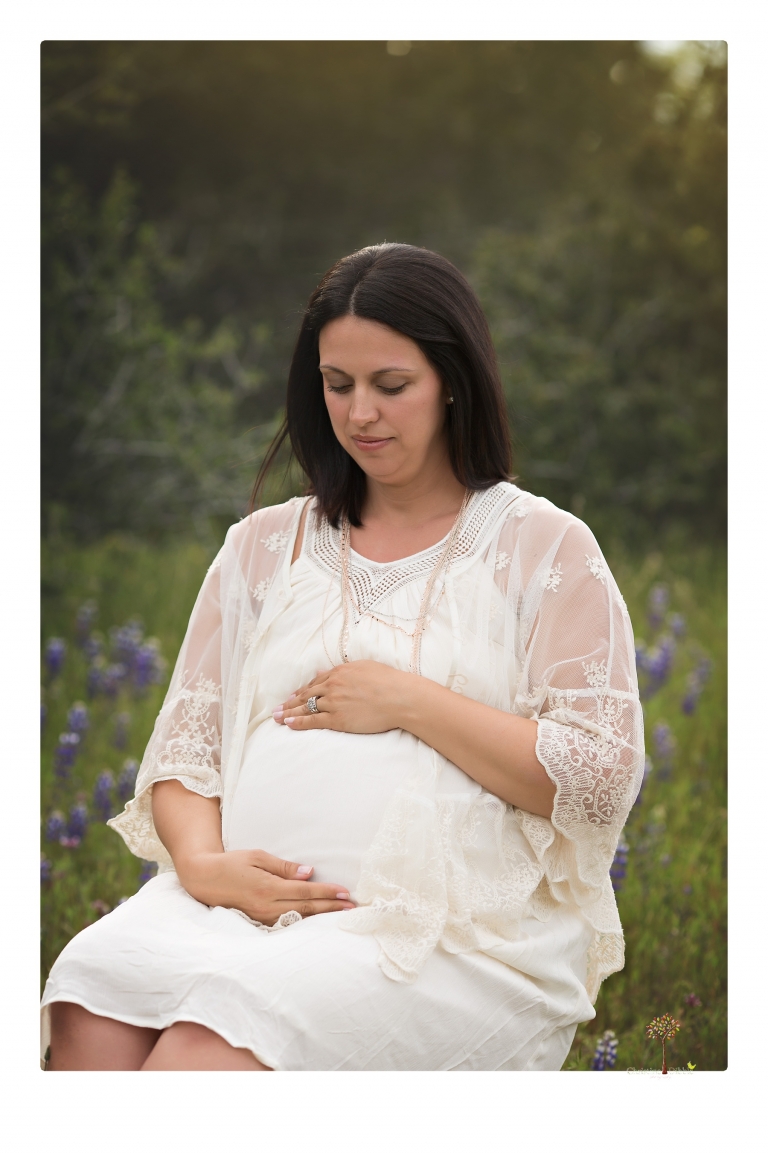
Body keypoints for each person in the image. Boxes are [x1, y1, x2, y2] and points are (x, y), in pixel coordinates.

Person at [41, 243, 644, 1071]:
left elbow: (598, 777)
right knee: (88, 1000)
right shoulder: (262, 547)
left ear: (452, 381)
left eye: (391, 386)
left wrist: (409, 701)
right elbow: (186, 754)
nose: (361, 413)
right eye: (337, 384)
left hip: (439, 934)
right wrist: (206, 866)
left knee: (207, 1051)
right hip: (236, 907)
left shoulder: (544, 548)